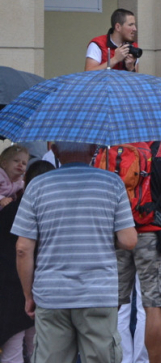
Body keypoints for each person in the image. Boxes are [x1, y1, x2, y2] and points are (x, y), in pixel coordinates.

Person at [12, 142, 138, 363]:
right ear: (93, 151)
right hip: (98, 294)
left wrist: (28, 295)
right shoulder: (112, 183)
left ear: (56, 152)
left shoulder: (37, 185)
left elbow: (23, 249)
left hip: (51, 294)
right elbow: (128, 241)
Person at [112, 143, 161, 363]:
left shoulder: (115, 149)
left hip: (119, 233)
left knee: (113, 304)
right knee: (153, 305)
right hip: (152, 234)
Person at [1, 159, 53, 363]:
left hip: (8, 291)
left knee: (13, 349)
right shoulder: (47, 213)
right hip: (39, 290)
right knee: (38, 349)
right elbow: (23, 250)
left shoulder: (11, 210)